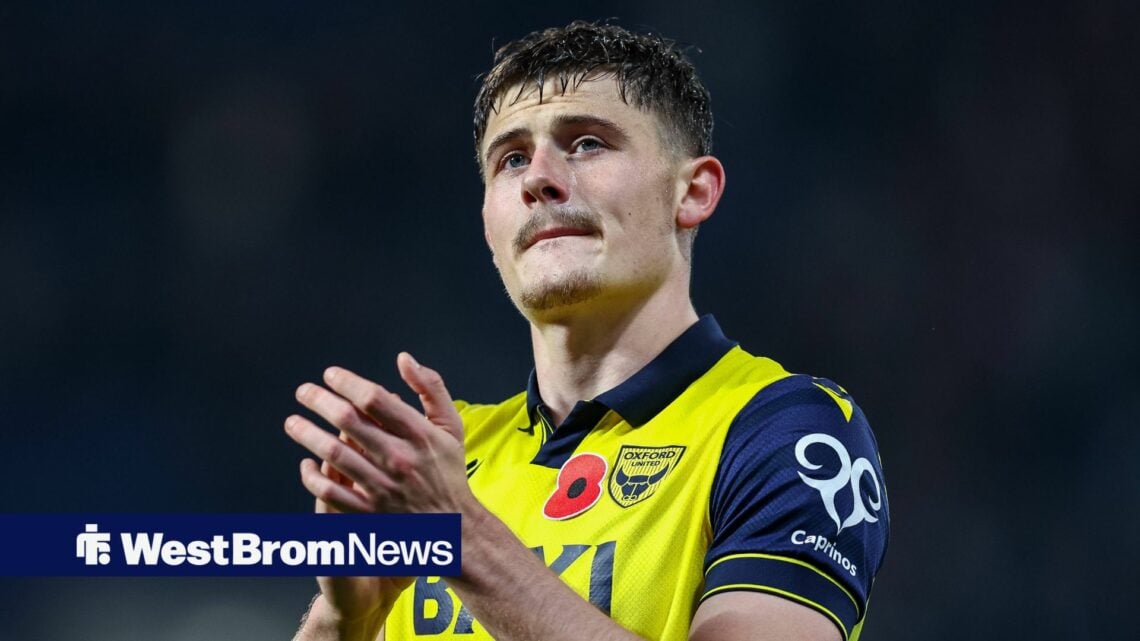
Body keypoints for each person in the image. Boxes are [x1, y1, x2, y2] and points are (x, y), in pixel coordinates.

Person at [284, 20, 889, 641]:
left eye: (588, 143)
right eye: (511, 158)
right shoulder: (444, 457)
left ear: (693, 191)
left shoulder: (784, 431)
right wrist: (345, 617)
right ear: (487, 222)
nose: (537, 180)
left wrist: (461, 538)